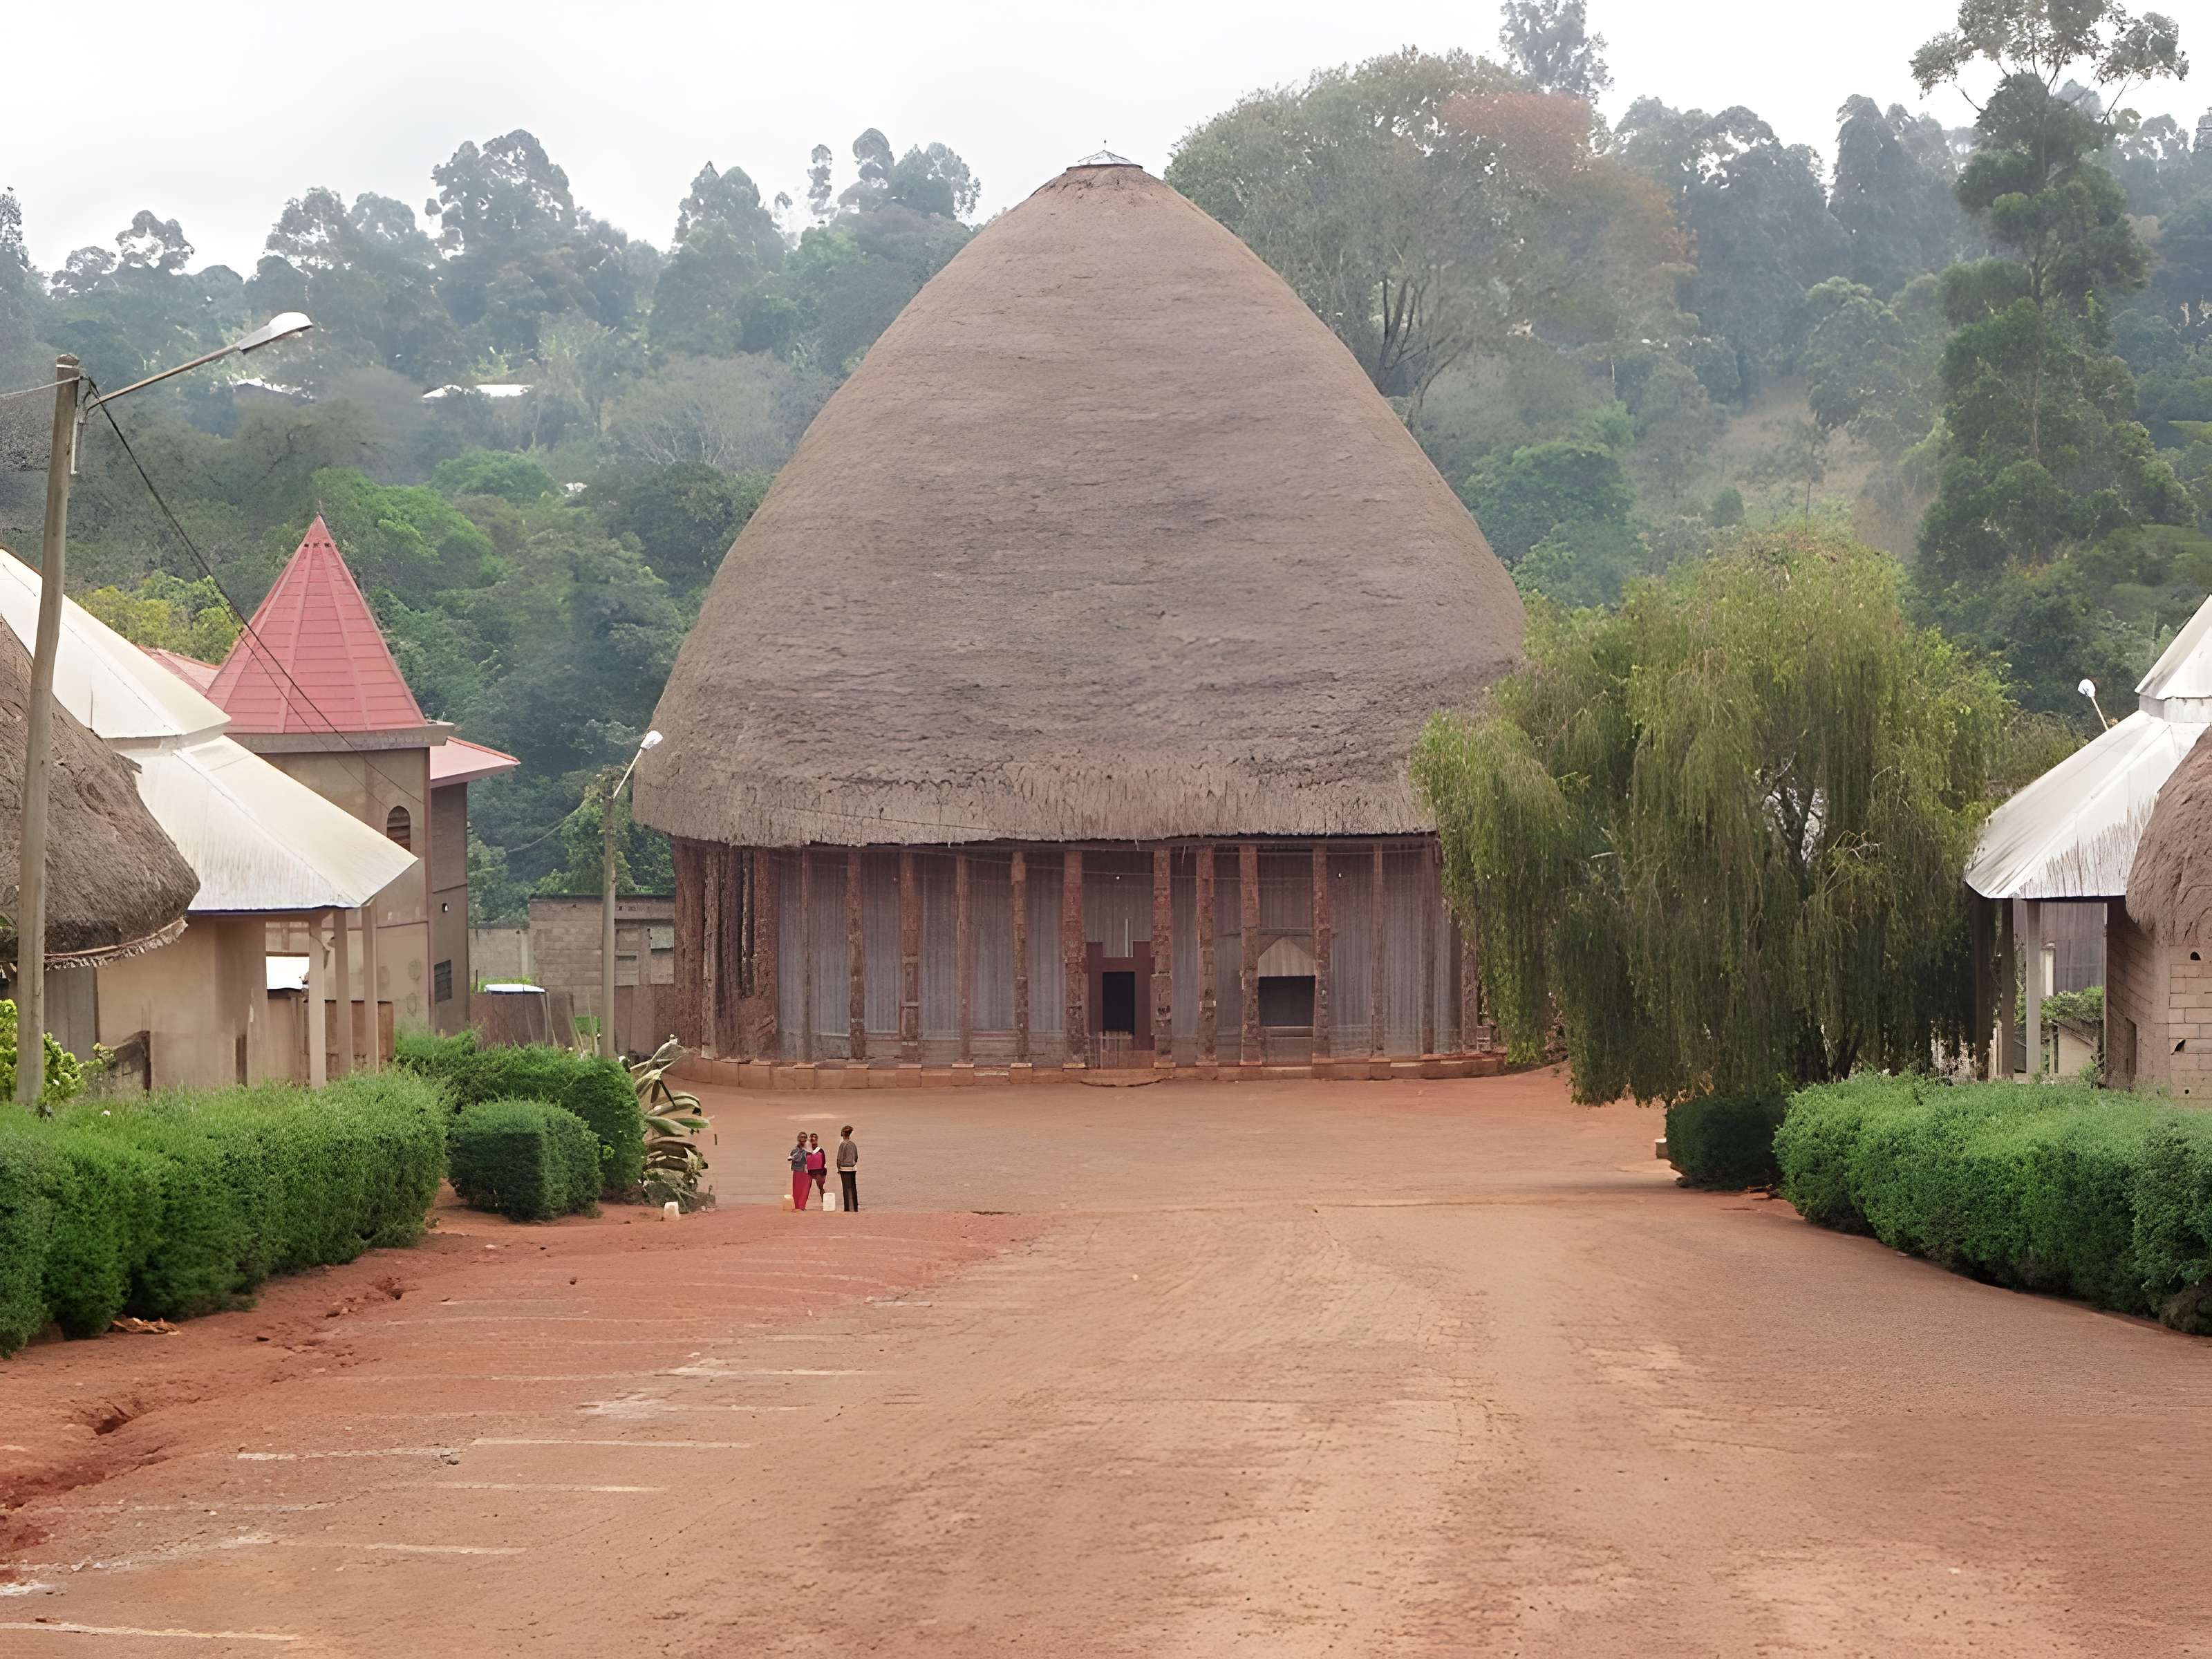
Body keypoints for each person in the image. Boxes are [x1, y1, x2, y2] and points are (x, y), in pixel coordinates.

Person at [836, 1125, 859, 1213]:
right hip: (853, 1169)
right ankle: (855, 1207)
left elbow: (839, 1159)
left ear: (843, 1133)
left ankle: (847, 1208)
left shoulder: (843, 1144)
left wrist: (839, 1168)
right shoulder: (853, 1144)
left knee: (846, 1189)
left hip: (844, 1169)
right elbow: (856, 1157)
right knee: (853, 1188)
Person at [789, 1132, 812, 1210]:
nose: (803, 1139)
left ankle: (802, 1206)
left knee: (805, 1190)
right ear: (798, 1139)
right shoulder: (796, 1150)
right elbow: (793, 1158)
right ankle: (798, 1206)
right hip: (798, 1171)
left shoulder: (809, 1149)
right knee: (797, 1190)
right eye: (801, 1137)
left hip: (806, 1172)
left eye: (804, 1137)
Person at [807, 1133, 829, 1206]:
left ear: (817, 1141)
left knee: (821, 1188)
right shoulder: (807, 1151)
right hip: (809, 1172)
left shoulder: (820, 1151)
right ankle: (803, 1204)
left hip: (819, 1172)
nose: (814, 1142)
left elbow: (824, 1162)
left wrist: (824, 1173)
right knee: (806, 1188)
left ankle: (825, 1203)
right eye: (812, 1140)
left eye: (815, 1140)